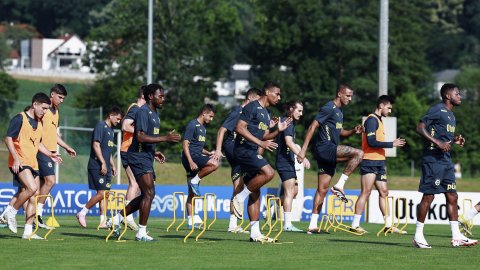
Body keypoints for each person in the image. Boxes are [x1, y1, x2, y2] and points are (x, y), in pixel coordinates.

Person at [110, 83, 181, 242]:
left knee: (146, 195)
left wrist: (154, 151)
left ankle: (116, 218)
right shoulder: (143, 112)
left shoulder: (155, 114)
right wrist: (165, 138)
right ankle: (141, 233)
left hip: (146, 156)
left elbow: (146, 140)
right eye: (160, 96)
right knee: (149, 193)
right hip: (137, 157)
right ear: (150, 96)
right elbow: (140, 136)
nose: (163, 99)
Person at [413, 83, 477, 248]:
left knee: (452, 196)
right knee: (429, 196)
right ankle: (418, 235)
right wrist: (437, 143)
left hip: (446, 161)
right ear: (448, 96)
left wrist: (454, 140)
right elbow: (420, 128)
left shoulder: (451, 115)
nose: (460, 96)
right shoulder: (437, 109)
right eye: (457, 93)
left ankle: (456, 236)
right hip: (433, 159)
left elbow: (442, 136)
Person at [296, 84, 363, 234]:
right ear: (339, 94)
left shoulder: (339, 112)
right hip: (325, 148)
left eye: (351, 96)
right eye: (347, 95)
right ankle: (340, 185)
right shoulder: (329, 107)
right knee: (359, 154)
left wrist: (353, 131)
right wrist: (303, 150)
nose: (350, 99)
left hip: (329, 151)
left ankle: (312, 226)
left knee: (322, 190)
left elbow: (340, 132)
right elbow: (312, 126)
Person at [231, 81, 291, 243]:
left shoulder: (266, 112)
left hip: (251, 151)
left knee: (255, 192)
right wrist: (261, 144)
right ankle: (239, 197)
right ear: (267, 92)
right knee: (269, 172)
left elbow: (264, 136)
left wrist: (278, 129)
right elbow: (239, 128)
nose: (279, 97)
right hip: (243, 150)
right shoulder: (252, 107)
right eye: (277, 94)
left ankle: (255, 233)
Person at [2, 93, 61, 239]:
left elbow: (38, 143)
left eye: (47, 109)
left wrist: (50, 154)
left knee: (34, 197)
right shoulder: (20, 118)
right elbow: (8, 139)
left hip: (32, 163)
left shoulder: (39, 122)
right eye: (43, 108)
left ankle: (28, 231)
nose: (45, 111)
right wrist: (15, 159)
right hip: (20, 161)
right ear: (35, 104)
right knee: (32, 188)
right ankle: (11, 212)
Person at [349, 95, 406, 234]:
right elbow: (371, 142)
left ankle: (388, 225)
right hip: (369, 161)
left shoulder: (379, 120)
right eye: (389, 108)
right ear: (381, 106)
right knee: (366, 192)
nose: (390, 111)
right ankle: (355, 224)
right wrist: (391, 144)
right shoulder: (371, 120)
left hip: (380, 162)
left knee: (384, 192)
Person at [212, 87, 262, 233]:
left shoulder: (249, 115)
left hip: (238, 153)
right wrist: (218, 149)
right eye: (257, 101)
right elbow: (222, 130)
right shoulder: (239, 112)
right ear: (251, 99)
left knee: (239, 187)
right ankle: (236, 223)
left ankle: (232, 224)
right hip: (235, 152)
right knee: (250, 184)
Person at [35, 84, 77, 229]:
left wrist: (67, 147)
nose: (61, 100)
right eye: (60, 97)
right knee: (50, 181)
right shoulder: (43, 110)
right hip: (41, 151)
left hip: (51, 153)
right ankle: (37, 215)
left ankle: (20, 214)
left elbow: (53, 134)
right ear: (52, 94)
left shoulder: (56, 111)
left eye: (63, 98)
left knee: (36, 187)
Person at [76, 106, 123, 228]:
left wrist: (112, 165)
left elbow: (108, 152)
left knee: (106, 194)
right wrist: (102, 162)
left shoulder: (111, 131)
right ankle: (82, 212)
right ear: (111, 115)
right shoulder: (100, 126)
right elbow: (96, 146)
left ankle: (103, 221)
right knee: (101, 193)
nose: (118, 122)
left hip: (106, 167)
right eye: (117, 119)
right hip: (97, 165)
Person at [275, 101, 310, 232]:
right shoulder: (287, 122)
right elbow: (289, 142)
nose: (301, 114)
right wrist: (302, 156)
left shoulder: (290, 123)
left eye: (302, 111)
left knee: (294, 191)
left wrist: (296, 156)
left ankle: (274, 208)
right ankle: (288, 225)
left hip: (288, 161)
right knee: (290, 192)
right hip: (284, 162)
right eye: (299, 110)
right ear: (291, 109)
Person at [182, 104, 219, 228]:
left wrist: (208, 153)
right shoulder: (193, 125)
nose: (211, 119)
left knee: (192, 192)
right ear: (204, 113)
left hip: (196, 156)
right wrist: (191, 161)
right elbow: (185, 144)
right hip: (191, 157)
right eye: (210, 116)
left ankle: (191, 220)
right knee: (215, 163)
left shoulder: (203, 128)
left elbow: (197, 146)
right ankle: (195, 179)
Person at [119, 85, 146, 231]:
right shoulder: (135, 108)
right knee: (135, 184)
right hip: (127, 151)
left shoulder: (138, 110)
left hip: (133, 151)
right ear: (145, 96)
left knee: (138, 185)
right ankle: (126, 216)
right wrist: (141, 133)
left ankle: (125, 216)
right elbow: (125, 126)